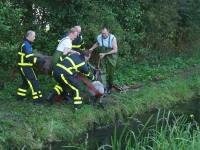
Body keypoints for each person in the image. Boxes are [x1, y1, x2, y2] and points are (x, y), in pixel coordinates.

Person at [17, 30, 46, 104]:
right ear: (29, 36)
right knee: (33, 81)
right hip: (25, 66)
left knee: (26, 82)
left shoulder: (25, 43)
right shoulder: (26, 44)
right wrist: (39, 61)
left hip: (23, 66)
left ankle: (20, 96)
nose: (34, 38)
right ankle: (37, 100)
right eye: (33, 36)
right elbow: (29, 58)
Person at [89, 26, 118, 94]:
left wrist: (105, 53)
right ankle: (104, 87)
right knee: (102, 71)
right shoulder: (99, 37)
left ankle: (110, 86)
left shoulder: (112, 38)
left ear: (108, 31)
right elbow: (97, 43)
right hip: (102, 55)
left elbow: (115, 50)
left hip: (111, 55)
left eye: (105, 33)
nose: (104, 35)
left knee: (111, 72)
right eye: (102, 33)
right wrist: (92, 48)